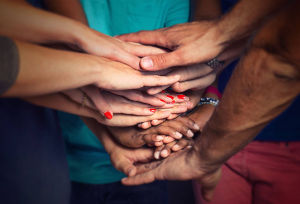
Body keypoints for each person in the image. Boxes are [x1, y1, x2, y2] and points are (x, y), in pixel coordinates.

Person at [119, 2, 300, 204]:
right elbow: (207, 31)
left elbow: (280, 51)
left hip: (284, 138)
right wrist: (209, 98)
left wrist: (218, 40)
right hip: (211, 130)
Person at [43, 0, 193, 203]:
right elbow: (30, 64)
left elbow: (185, 73)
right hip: (60, 160)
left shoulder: (171, 4)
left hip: (141, 163)